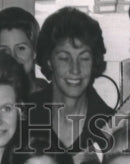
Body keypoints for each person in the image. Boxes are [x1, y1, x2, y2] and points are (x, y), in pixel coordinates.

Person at [26, 8, 114, 154]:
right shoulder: (24, 115)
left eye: (84, 58)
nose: (75, 69)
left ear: (94, 62)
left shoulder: (111, 124)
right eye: (64, 58)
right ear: (49, 61)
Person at [0, 6, 45, 95]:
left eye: (21, 48)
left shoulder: (51, 96)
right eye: (4, 51)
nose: (13, 57)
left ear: (34, 51)